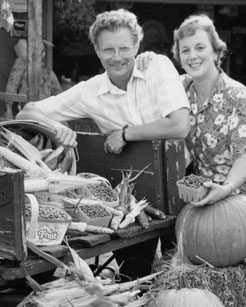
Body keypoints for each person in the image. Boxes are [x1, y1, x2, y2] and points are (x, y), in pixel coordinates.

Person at [16, 9, 190, 279]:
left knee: (178, 275)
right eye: (108, 50)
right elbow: (26, 112)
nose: (117, 57)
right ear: (96, 50)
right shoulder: (91, 91)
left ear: (136, 45)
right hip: (132, 200)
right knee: (135, 273)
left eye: (124, 48)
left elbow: (179, 125)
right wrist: (57, 127)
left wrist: (125, 134)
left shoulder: (156, 66)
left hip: (177, 189)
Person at [139, 13, 246, 207]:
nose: (192, 56)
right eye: (185, 50)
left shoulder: (237, 95)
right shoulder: (181, 88)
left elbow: (244, 162)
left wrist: (226, 188)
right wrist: (150, 60)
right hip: (206, 197)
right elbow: (150, 87)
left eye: (200, 47)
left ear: (216, 52)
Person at [4, 39, 62, 119]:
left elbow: (58, 91)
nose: (42, 54)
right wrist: (8, 109)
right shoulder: (21, 65)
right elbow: (11, 87)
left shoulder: (48, 71)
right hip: (26, 109)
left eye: (42, 51)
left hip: (44, 110)